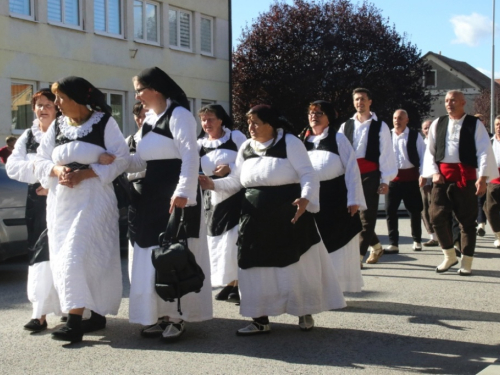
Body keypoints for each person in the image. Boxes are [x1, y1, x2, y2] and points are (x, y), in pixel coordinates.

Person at [200, 105, 346, 335]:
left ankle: (303, 311)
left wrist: (306, 198)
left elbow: (308, 174)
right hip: (253, 218)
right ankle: (259, 318)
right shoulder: (246, 147)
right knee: (253, 266)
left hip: (289, 215)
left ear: (271, 124)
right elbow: (236, 181)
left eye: (256, 122)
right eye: (248, 122)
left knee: (295, 266)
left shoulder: (290, 142)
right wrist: (213, 184)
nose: (251, 127)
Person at [35, 76, 129, 342]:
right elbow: (41, 160)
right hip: (62, 202)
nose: (57, 104)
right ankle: (94, 314)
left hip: (94, 200)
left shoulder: (104, 123)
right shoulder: (57, 126)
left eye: (61, 98)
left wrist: (87, 172)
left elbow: (121, 159)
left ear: (77, 99)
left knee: (76, 253)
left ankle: (74, 321)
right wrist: (57, 169)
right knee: (65, 255)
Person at [127, 67, 212, 341]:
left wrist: (184, 191)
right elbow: (140, 161)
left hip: (175, 194)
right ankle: (159, 315)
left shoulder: (180, 115)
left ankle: (177, 317)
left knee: (176, 254)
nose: (137, 94)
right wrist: (111, 162)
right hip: (152, 194)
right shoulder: (150, 119)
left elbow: (190, 154)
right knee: (152, 255)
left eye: (140, 89)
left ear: (156, 89)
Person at [422, 90, 497, 276]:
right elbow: (430, 151)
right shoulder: (438, 123)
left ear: (463, 102)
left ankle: (467, 261)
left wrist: (482, 178)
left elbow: (484, 151)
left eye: (453, 100)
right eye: (447, 100)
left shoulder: (475, 124)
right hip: (442, 178)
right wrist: (433, 172)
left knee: (466, 221)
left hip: (466, 177)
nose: (449, 103)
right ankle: (449, 255)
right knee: (436, 217)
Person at [6, 88, 61, 332]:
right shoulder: (28, 135)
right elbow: (13, 167)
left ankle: (73, 310)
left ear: (58, 107)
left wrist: (51, 181)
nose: (42, 109)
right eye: (38, 105)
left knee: (63, 253)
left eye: (48, 104)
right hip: (35, 201)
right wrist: (42, 173)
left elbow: (74, 165)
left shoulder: (65, 132)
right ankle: (39, 313)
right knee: (38, 254)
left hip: (63, 198)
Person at [302, 100, 365, 292]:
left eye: (319, 113)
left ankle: (339, 287)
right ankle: (315, 285)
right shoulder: (301, 140)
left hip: (336, 200)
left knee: (339, 243)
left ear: (329, 118)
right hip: (311, 201)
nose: (314, 116)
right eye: (312, 113)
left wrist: (354, 200)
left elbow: (352, 170)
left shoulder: (338, 139)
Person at [338, 88, 397, 266]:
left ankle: (358, 258)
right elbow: (340, 152)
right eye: (356, 99)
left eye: (363, 99)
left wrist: (385, 181)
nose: (359, 103)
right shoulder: (345, 125)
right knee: (352, 215)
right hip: (349, 175)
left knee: (366, 216)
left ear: (370, 101)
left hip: (370, 175)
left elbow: (386, 154)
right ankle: (377, 246)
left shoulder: (380, 126)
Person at [197, 104, 246, 302]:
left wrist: (231, 168)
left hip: (236, 194)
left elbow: (249, 161)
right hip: (212, 198)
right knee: (219, 241)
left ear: (221, 120)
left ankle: (239, 284)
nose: (206, 123)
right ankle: (229, 282)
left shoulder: (236, 137)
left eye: (210, 119)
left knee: (235, 239)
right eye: (203, 119)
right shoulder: (199, 143)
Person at [383, 110, 426, 254]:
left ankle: (417, 240)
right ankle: (393, 243)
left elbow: (423, 156)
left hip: (411, 178)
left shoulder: (414, 136)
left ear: (407, 120)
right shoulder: (386, 136)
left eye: (400, 118)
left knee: (414, 211)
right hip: (392, 180)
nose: (397, 120)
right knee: (390, 211)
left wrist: (423, 174)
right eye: (395, 118)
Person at [420, 119, 439, 247]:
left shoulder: (440, 143)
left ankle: (444, 234)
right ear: (423, 131)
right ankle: (433, 236)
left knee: (438, 207)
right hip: (424, 179)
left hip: (438, 179)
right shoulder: (420, 143)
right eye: (425, 128)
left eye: (430, 127)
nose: (428, 130)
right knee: (425, 207)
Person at [484, 115, 500, 248]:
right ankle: (498, 234)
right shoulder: (490, 141)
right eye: (497, 125)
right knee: (490, 209)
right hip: (494, 180)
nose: (499, 127)